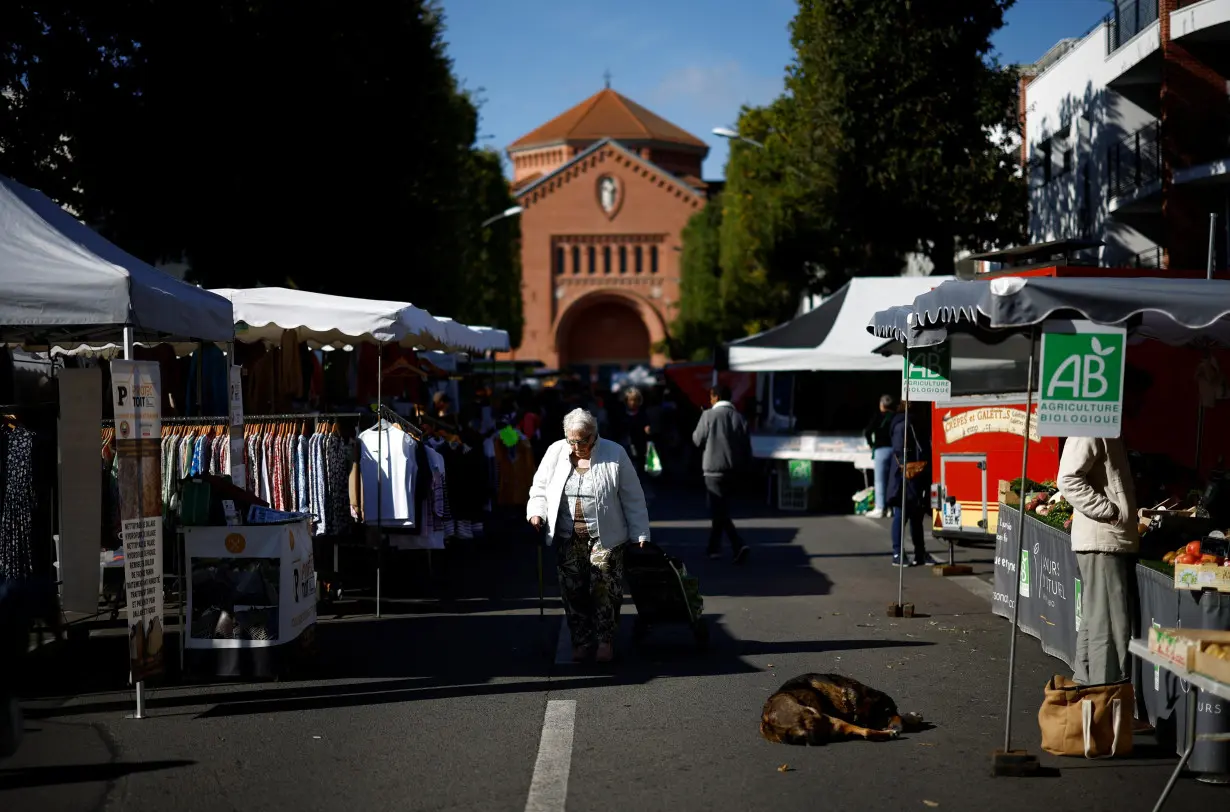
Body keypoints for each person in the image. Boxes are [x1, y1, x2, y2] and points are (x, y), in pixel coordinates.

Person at [527, 408, 650, 663]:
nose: (577, 446)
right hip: (567, 535)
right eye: (572, 440)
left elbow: (633, 496)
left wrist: (640, 531)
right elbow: (539, 487)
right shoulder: (555, 451)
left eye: (583, 440)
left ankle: (605, 641)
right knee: (573, 590)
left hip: (606, 536)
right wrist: (536, 513)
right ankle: (582, 641)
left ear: (594, 435)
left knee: (604, 588)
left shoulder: (615, 453)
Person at [1058, 372, 1145, 686]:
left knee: (1098, 622)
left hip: (1107, 540)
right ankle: (1104, 698)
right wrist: (1110, 513)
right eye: (1136, 397)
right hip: (1101, 541)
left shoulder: (1108, 427)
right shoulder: (1093, 425)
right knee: (1108, 626)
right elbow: (1067, 479)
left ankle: (1088, 689)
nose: (1140, 405)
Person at [693, 384, 752, 564]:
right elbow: (746, 446)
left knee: (718, 510)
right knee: (721, 508)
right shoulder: (739, 418)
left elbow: (697, 439)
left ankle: (737, 544)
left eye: (711, 397)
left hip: (712, 469)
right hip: (733, 469)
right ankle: (713, 548)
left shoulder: (708, 415)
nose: (710, 400)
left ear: (716, 397)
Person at [885, 401, 937, 567]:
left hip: (910, 474)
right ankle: (898, 553)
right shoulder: (905, 424)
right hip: (906, 476)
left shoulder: (906, 422)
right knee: (903, 514)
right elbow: (902, 451)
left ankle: (918, 553)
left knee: (915, 515)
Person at [864, 395, 897, 518]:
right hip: (894, 450)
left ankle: (880, 507)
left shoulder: (877, 416)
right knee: (892, 480)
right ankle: (891, 508)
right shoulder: (895, 417)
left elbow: (867, 431)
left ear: (881, 405)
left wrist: (871, 444)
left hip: (881, 450)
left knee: (880, 480)